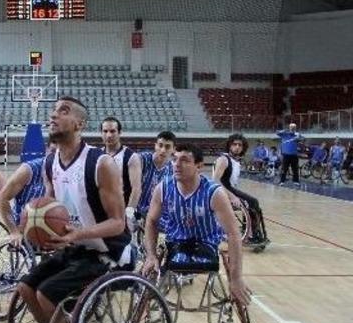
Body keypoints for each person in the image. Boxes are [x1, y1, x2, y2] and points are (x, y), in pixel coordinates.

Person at [15, 96, 130, 323]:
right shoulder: (50, 161)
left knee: (47, 293)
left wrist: (77, 234)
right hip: (76, 248)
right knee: (26, 287)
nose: (53, 116)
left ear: (80, 123)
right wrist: (37, 229)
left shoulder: (100, 163)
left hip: (108, 251)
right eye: (53, 111)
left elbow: (119, 223)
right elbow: (53, 210)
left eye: (62, 112)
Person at [141, 142, 251, 307]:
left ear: (199, 166)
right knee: (147, 277)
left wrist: (236, 278)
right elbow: (151, 221)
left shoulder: (214, 192)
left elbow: (234, 234)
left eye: (184, 160)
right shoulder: (163, 187)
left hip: (206, 245)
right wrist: (151, 255)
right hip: (175, 244)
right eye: (175, 159)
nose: (177, 164)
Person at [212, 134, 269, 246]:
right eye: (234, 144)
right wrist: (232, 196)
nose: (237, 147)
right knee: (251, 202)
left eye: (240, 145)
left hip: (230, 189)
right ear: (229, 145)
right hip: (221, 192)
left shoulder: (236, 161)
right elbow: (215, 181)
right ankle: (251, 235)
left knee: (253, 202)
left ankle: (254, 232)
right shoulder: (224, 159)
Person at [0, 143, 56, 245]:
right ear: (47, 150)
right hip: (25, 224)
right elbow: (2, 198)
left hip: (53, 223)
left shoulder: (68, 172)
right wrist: (14, 231)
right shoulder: (29, 169)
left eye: (61, 152)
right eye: (53, 151)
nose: (56, 156)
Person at [100, 117, 142, 229]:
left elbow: (136, 189)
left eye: (112, 131)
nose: (109, 135)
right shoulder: (96, 155)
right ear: (101, 133)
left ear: (120, 133)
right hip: (101, 212)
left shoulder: (131, 157)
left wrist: (129, 213)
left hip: (121, 212)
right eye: (105, 131)